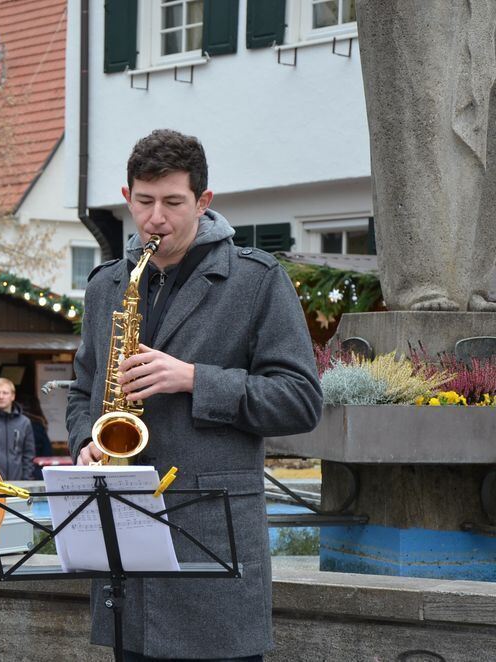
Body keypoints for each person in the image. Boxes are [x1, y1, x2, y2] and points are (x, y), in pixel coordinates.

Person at [67, 129, 322, 661]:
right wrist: (85, 443)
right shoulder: (105, 286)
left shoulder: (256, 280)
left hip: (214, 550)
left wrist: (194, 379)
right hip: (129, 559)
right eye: (144, 201)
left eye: (173, 203)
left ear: (204, 202)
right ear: (127, 197)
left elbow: (300, 400)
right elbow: (82, 391)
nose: (156, 219)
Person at [0, 378, 36, 481]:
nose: (1, 396)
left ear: (13, 396)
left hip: (19, 484)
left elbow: (28, 455)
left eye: (5, 393)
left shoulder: (24, 423)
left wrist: (26, 481)